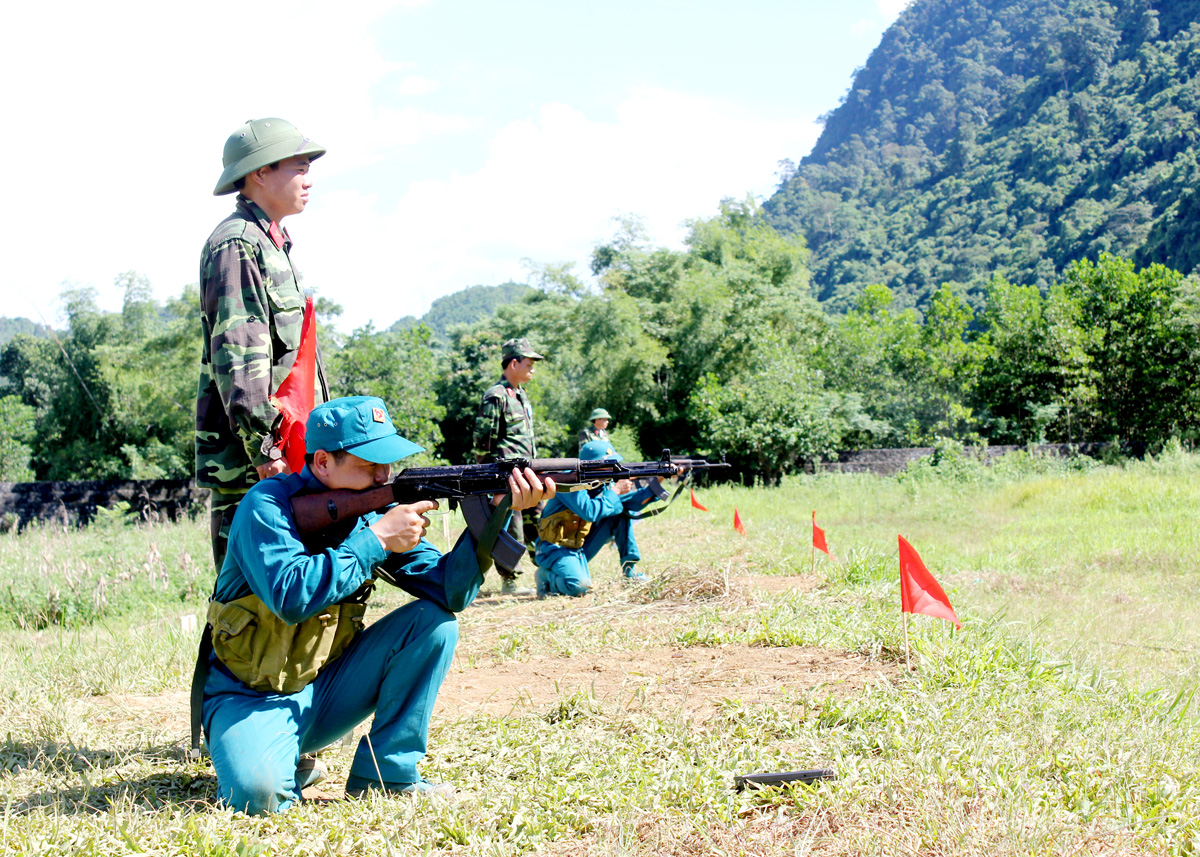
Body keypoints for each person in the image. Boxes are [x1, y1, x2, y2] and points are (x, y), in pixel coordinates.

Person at [201, 396, 554, 814]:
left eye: (387, 464)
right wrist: (376, 540)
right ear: (321, 462)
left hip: (324, 690)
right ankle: (275, 756)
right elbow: (290, 598)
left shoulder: (378, 509)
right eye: (369, 466)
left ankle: (386, 776)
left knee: (434, 623)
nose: (384, 476)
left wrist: (494, 514)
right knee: (257, 798)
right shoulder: (266, 507)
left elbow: (449, 592)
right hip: (248, 697)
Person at [197, 117, 329, 573]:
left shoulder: (272, 242)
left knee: (286, 590)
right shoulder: (237, 243)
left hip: (281, 446)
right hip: (253, 462)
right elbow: (239, 360)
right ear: (259, 173)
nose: (308, 178)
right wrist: (266, 453)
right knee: (248, 599)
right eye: (298, 165)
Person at [534, 440, 664, 598]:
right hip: (554, 549)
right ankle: (545, 576)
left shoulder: (600, 483)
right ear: (591, 466)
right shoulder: (569, 481)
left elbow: (631, 503)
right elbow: (589, 512)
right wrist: (616, 491)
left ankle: (630, 572)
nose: (613, 468)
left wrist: (659, 479)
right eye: (608, 464)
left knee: (620, 513)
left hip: (578, 546)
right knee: (579, 587)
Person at [471, 336, 544, 595]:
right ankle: (510, 580)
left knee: (538, 519)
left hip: (528, 473)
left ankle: (544, 568)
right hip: (505, 476)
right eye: (529, 363)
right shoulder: (496, 396)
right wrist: (488, 476)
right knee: (511, 525)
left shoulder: (521, 395)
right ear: (514, 363)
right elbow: (483, 441)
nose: (533, 368)